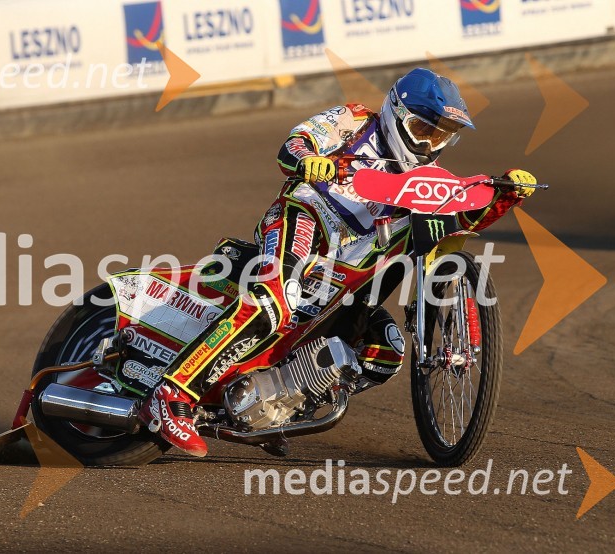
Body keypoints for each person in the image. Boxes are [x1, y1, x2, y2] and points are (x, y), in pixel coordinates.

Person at [139, 68, 538, 457]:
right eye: (423, 130)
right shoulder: (352, 119)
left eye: (442, 137)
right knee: (274, 302)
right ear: (396, 114)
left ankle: (282, 406)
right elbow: (294, 143)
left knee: (387, 352)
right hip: (308, 217)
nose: (430, 145)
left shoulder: (430, 178)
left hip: (348, 273)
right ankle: (172, 393)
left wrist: (506, 194)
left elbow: (459, 222)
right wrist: (310, 160)